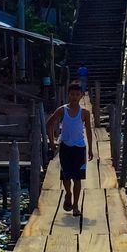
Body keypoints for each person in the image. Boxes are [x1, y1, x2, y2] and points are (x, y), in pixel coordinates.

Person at [45, 82, 94, 216]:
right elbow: (49, 124)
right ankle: (68, 193)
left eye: (77, 95)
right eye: (72, 94)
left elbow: (89, 131)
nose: (74, 97)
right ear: (68, 95)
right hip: (65, 147)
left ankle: (76, 206)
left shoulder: (85, 113)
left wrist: (90, 150)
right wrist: (52, 142)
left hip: (79, 148)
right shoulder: (62, 110)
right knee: (66, 177)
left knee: (77, 179)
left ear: (81, 96)